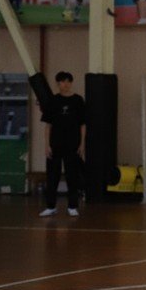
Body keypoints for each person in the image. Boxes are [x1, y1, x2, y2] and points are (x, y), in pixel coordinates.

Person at [39, 71, 85, 217]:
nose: (65, 84)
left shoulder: (78, 100)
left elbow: (83, 124)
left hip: (73, 144)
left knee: (72, 176)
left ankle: (72, 206)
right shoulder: (53, 101)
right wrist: (47, 145)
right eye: (62, 81)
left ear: (71, 83)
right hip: (55, 144)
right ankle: (51, 206)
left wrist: (82, 144)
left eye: (68, 81)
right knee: (52, 176)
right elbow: (48, 126)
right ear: (57, 84)